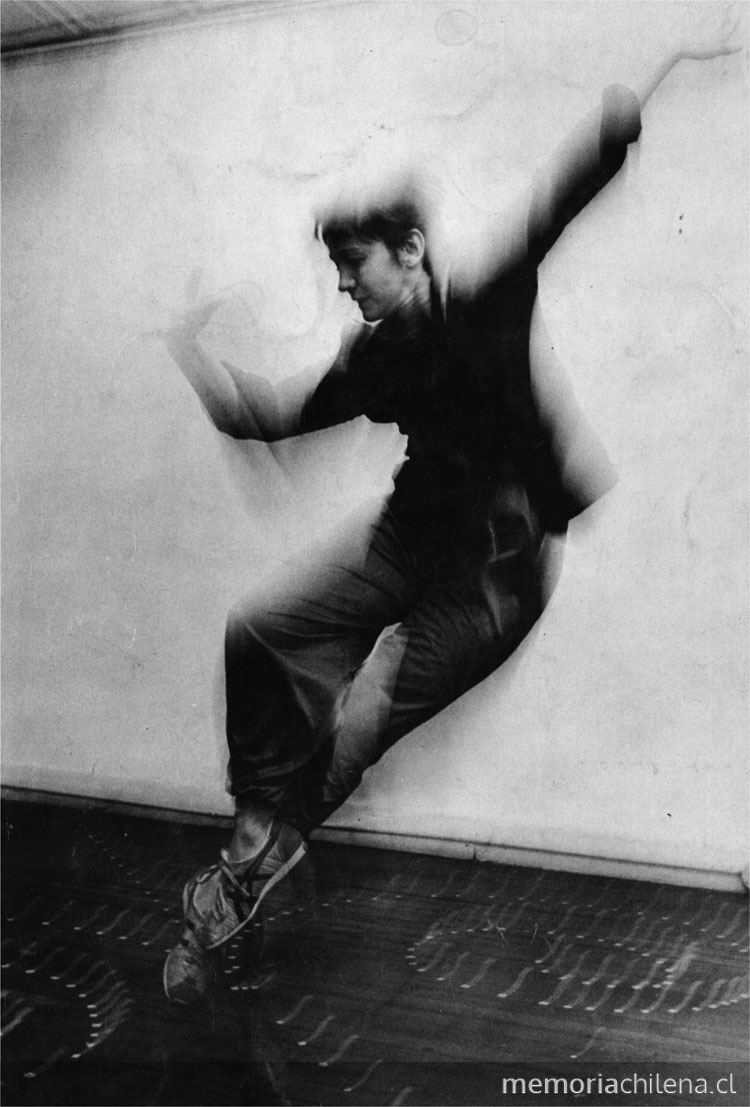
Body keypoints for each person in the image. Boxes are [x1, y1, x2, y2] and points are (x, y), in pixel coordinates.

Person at [161, 21, 741, 1006]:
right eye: (338, 268)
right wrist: (192, 353)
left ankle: (238, 887)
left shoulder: (486, 301)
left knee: (353, 723)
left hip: (496, 574)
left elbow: (555, 208)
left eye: (356, 262)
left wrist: (615, 129)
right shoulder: (373, 356)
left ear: (412, 250)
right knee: (259, 629)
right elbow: (273, 423)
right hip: (410, 536)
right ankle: (256, 831)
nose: (343, 283)